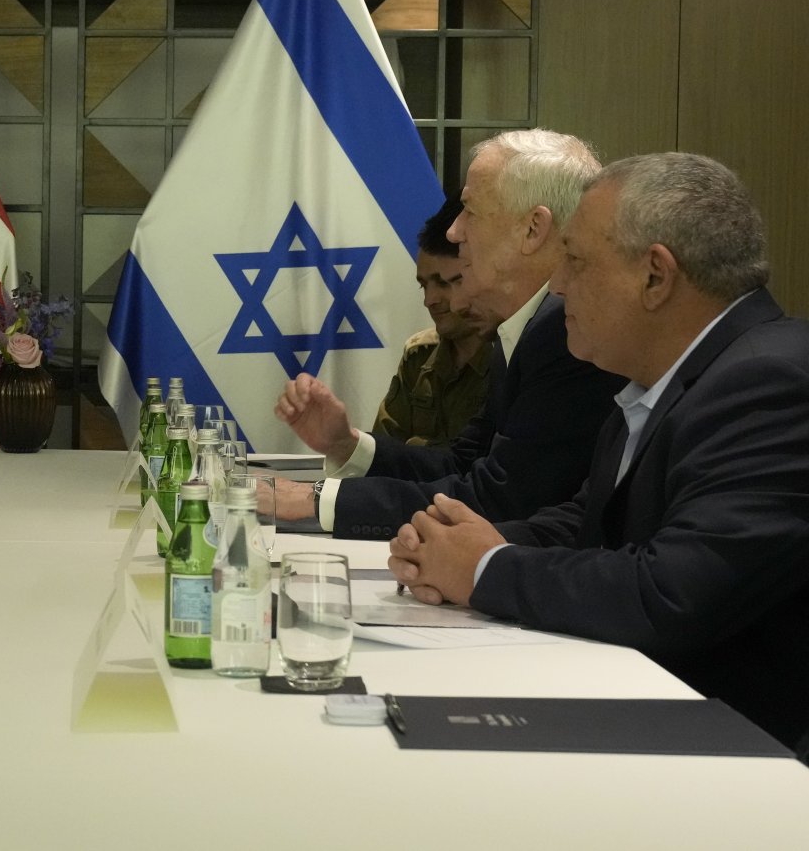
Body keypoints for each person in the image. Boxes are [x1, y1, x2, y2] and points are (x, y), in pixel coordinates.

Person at [388, 152, 809, 750]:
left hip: (749, 759)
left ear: (655, 277)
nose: (556, 285)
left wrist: (484, 569)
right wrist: (456, 541)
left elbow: (671, 593)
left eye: (577, 262)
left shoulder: (772, 383)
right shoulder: (661, 380)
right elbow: (588, 522)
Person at [266, 129, 624, 539]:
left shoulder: (563, 332)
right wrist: (348, 445)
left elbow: (499, 500)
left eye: (469, 210)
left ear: (532, 229)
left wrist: (314, 501)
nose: (454, 233)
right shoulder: (524, 326)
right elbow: (464, 465)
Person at [371, 197, 496, 447]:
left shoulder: (510, 358)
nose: (429, 300)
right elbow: (383, 450)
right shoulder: (419, 356)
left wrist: (417, 447)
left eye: (445, 282)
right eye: (423, 284)